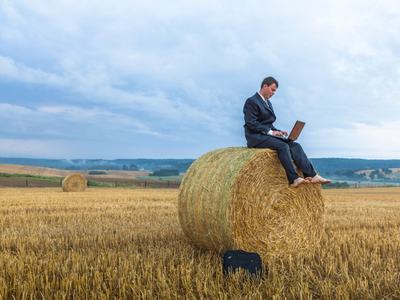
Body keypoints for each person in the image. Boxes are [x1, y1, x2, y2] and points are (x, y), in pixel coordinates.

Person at [243, 76, 331, 188]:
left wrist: (278, 131)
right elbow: (251, 123)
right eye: (272, 90)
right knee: (283, 146)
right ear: (265, 86)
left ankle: (311, 175)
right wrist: (270, 132)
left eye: (275, 91)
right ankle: (294, 179)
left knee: (295, 145)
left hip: (266, 135)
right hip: (255, 137)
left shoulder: (268, 103)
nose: (274, 93)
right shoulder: (252, 101)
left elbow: (268, 124)